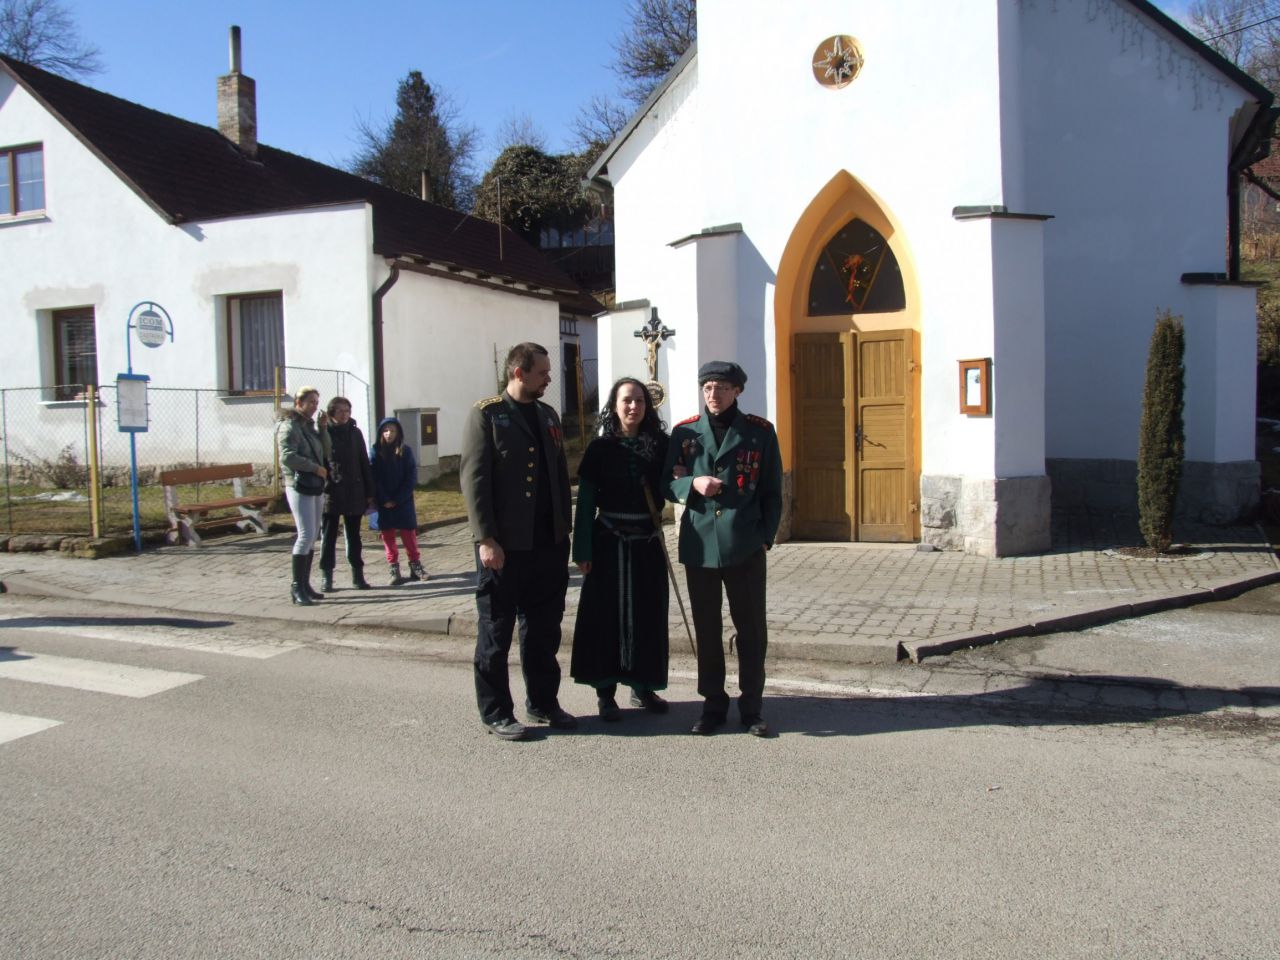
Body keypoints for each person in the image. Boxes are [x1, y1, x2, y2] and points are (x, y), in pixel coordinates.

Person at [663, 361, 783, 737]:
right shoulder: (684, 432)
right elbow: (666, 482)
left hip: (744, 545)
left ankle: (751, 706)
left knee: (751, 629)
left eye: (722, 387)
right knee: (707, 628)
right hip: (700, 546)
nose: (713, 394)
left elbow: (772, 490)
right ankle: (713, 704)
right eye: (708, 387)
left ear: (737, 391)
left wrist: (765, 536)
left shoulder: (759, 432)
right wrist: (692, 484)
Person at [461, 342, 574, 740]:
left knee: (544, 631)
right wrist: (485, 538)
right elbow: (474, 480)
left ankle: (542, 702)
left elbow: (559, 476)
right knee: (496, 631)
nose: (548, 378)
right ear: (518, 372)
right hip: (505, 547)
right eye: (542, 372)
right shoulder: (487, 414)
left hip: (547, 545)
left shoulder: (547, 414)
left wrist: (564, 533)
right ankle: (495, 712)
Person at [570, 378, 671, 721]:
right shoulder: (600, 450)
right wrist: (582, 549)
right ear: (614, 405)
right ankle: (606, 693)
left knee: (648, 616)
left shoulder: (661, 446)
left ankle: (644, 687)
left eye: (640, 400)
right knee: (605, 620)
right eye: (627, 400)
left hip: (647, 544)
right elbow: (586, 502)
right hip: (607, 545)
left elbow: (675, 481)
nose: (633, 406)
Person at [277, 385, 330, 606]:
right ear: (299, 403)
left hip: (315, 483)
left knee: (313, 533)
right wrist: (314, 468)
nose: (315, 406)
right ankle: (296, 586)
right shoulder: (289, 426)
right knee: (305, 534)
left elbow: (326, 451)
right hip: (299, 484)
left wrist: (323, 428)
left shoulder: (308, 426)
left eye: (317, 402)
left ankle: (305, 584)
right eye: (311, 402)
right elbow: (287, 456)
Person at [318, 396, 374, 592]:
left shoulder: (355, 433)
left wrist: (369, 490)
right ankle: (327, 577)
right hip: (331, 492)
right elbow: (321, 460)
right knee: (329, 537)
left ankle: (358, 575)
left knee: (354, 536)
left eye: (347, 411)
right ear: (331, 412)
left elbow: (364, 462)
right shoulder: (324, 432)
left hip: (354, 491)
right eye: (340, 411)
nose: (344, 414)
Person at [370, 417, 425, 586]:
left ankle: (415, 565)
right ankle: (394, 567)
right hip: (383, 501)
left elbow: (411, 477)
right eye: (386, 430)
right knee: (388, 535)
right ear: (381, 432)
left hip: (403, 500)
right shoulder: (375, 452)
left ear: (398, 433)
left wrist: (398, 498)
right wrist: (384, 499)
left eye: (392, 430)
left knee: (409, 533)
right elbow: (374, 478)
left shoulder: (405, 451)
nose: (389, 434)